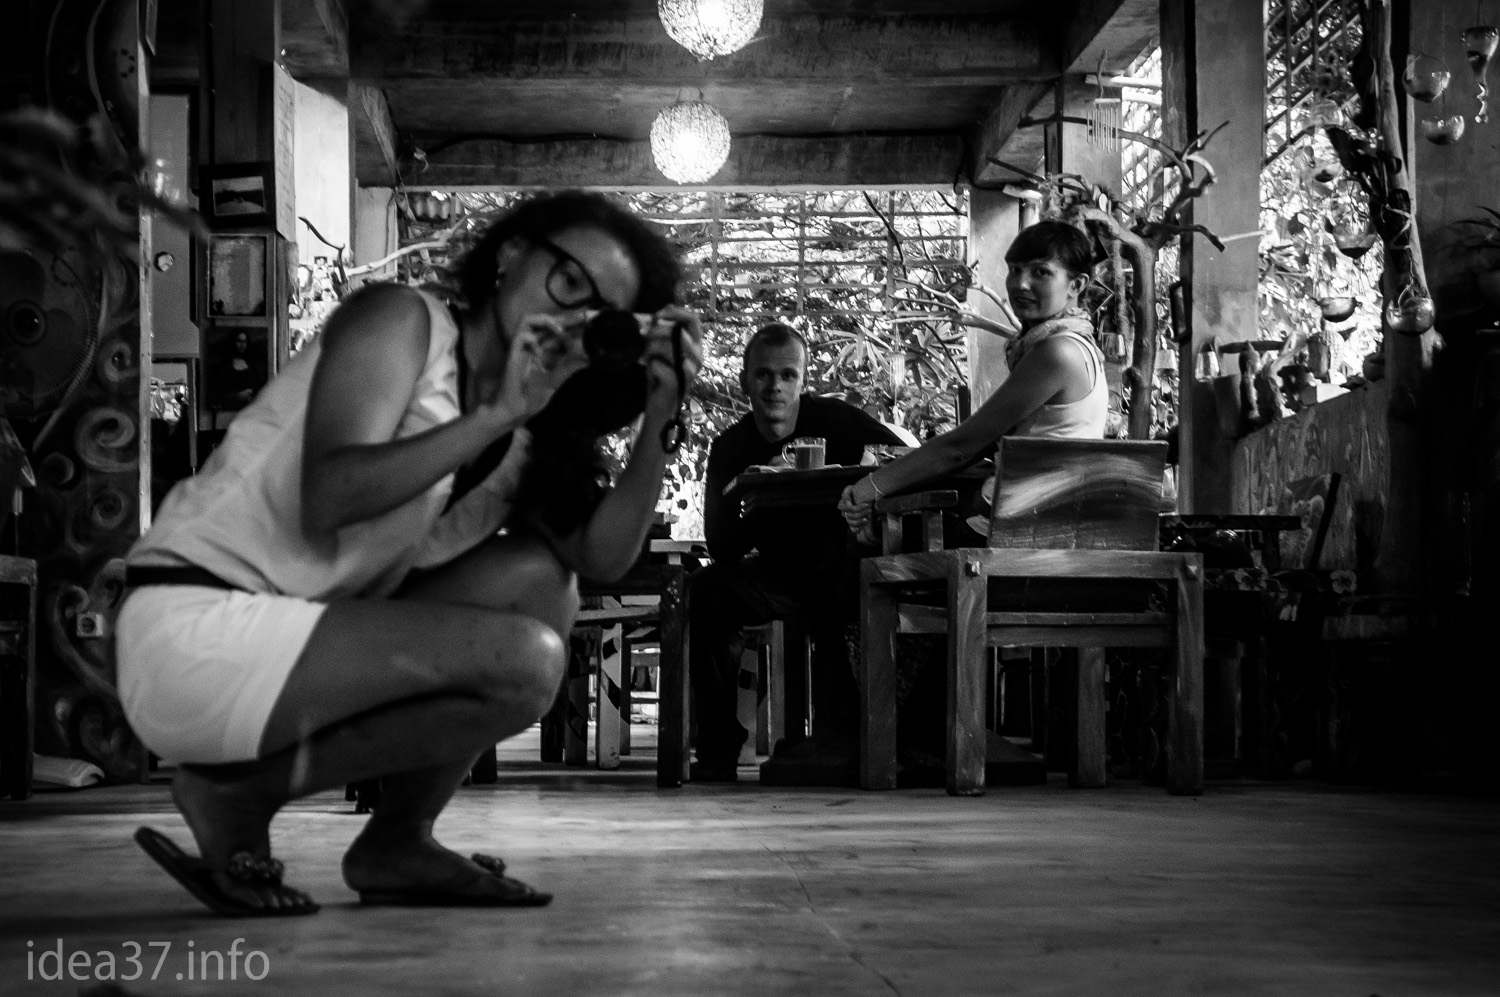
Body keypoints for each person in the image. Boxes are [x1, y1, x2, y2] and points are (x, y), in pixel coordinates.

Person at [116, 191, 702, 916]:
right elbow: (330, 497)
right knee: (527, 661)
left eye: (604, 313)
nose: (576, 314)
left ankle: (397, 840)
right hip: (192, 626)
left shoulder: (528, 427)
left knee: (543, 585)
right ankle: (238, 794)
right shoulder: (403, 322)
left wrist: (660, 415)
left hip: (298, 640)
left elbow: (603, 559)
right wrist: (493, 415)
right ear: (512, 254)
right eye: (569, 280)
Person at [689, 323, 904, 781]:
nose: (775, 386)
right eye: (763, 374)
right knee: (706, 590)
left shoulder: (836, 421)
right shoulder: (730, 447)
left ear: (803, 381)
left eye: (788, 375)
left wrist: (869, 499)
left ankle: (838, 738)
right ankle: (717, 747)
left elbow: (903, 456)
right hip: (778, 575)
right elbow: (722, 546)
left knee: (844, 581)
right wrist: (765, 492)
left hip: (844, 566)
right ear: (745, 381)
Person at [838, 220, 1106, 538]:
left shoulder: (1057, 351)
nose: (1021, 284)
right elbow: (980, 445)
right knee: (878, 523)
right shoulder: (1072, 345)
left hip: (1024, 528)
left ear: (1076, 285)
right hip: (1041, 519)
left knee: (864, 533)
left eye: (1040, 272)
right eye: (1015, 270)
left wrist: (868, 488)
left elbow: (961, 447)